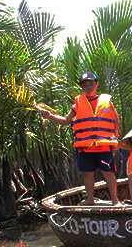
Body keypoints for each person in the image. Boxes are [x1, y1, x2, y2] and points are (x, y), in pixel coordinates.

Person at [39, 71, 121, 206]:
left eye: (91, 84)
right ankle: (90, 199)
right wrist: (50, 116)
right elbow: (66, 120)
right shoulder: (77, 104)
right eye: (85, 85)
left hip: (103, 145)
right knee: (88, 173)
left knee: (108, 173)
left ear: (96, 84)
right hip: (85, 146)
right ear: (81, 87)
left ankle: (115, 200)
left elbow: (116, 120)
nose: (88, 88)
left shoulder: (106, 101)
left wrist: (115, 139)